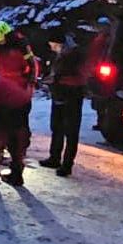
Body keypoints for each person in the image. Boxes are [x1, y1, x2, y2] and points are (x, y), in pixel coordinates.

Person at [40, 34, 86, 176]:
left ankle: (67, 164)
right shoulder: (59, 56)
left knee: (71, 131)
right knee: (57, 127)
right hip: (59, 95)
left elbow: (80, 78)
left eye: (53, 44)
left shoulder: (76, 56)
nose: (52, 48)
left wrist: (58, 80)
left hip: (72, 97)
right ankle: (54, 157)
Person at [0, 20, 39, 94]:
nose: (0, 42)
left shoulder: (21, 45)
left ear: (7, 35)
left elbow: (32, 63)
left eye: (2, 40)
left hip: (21, 86)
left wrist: (32, 81)